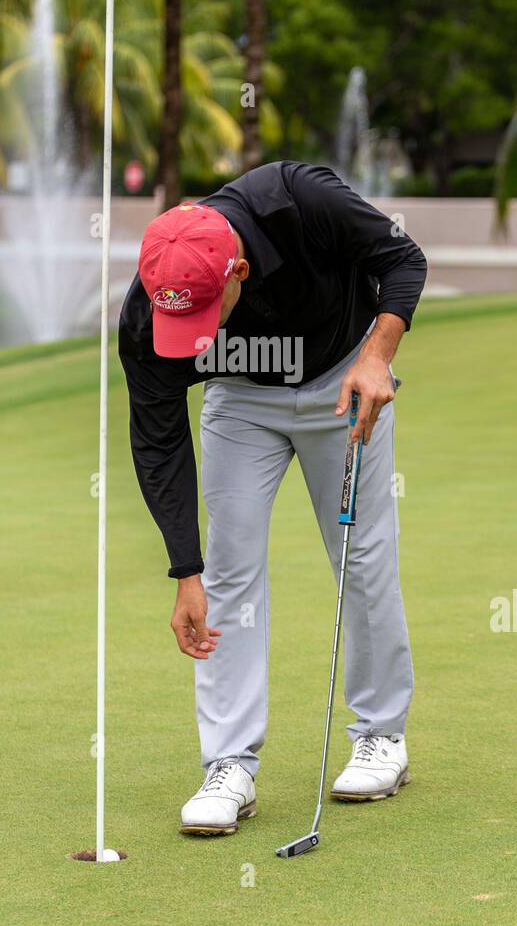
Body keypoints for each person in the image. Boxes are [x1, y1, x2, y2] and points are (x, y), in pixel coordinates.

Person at [118, 160, 427, 834]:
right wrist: (183, 571)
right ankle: (228, 764)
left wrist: (377, 355)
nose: (192, 333)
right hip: (241, 405)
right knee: (227, 572)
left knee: (363, 558)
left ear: (237, 272)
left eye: (205, 313)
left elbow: (403, 261)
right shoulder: (151, 305)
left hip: (342, 382)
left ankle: (382, 736)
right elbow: (159, 441)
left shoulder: (300, 198)